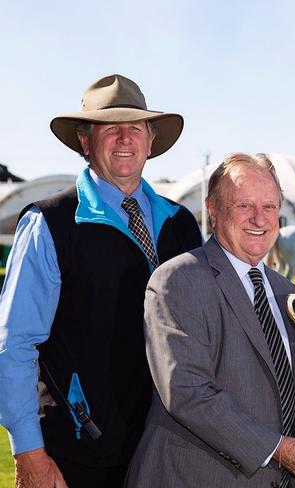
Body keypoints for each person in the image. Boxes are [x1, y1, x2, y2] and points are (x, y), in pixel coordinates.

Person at [0, 74, 203, 487]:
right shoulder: (50, 224)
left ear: (150, 141)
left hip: (173, 450)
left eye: (135, 128)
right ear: (85, 143)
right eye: (110, 128)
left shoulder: (181, 223)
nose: (124, 138)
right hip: (82, 451)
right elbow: (14, 344)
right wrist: (30, 453)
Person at [126, 153, 295, 487]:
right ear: (213, 208)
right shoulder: (178, 279)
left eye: (269, 207)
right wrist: (280, 450)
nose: (259, 218)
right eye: (244, 205)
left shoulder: (285, 290)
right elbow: (188, 392)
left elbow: (283, 390)